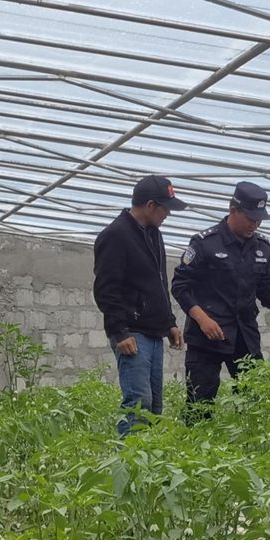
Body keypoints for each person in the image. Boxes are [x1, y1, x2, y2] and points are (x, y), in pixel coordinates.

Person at [171, 181, 270, 416]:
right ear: (233, 210)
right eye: (250, 218)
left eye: (259, 219)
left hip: (245, 336)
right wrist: (203, 319)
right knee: (199, 405)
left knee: (253, 402)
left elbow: (266, 290)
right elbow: (180, 286)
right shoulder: (205, 243)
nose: (255, 224)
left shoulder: (262, 248)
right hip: (207, 337)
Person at [93, 175, 187, 436]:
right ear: (150, 205)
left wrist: (169, 322)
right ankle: (129, 457)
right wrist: (119, 332)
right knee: (138, 403)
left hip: (154, 332)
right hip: (132, 334)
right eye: (165, 208)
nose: (168, 214)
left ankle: (148, 457)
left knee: (154, 407)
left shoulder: (154, 235)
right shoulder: (116, 235)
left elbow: (159, 283)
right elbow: (106, 290)